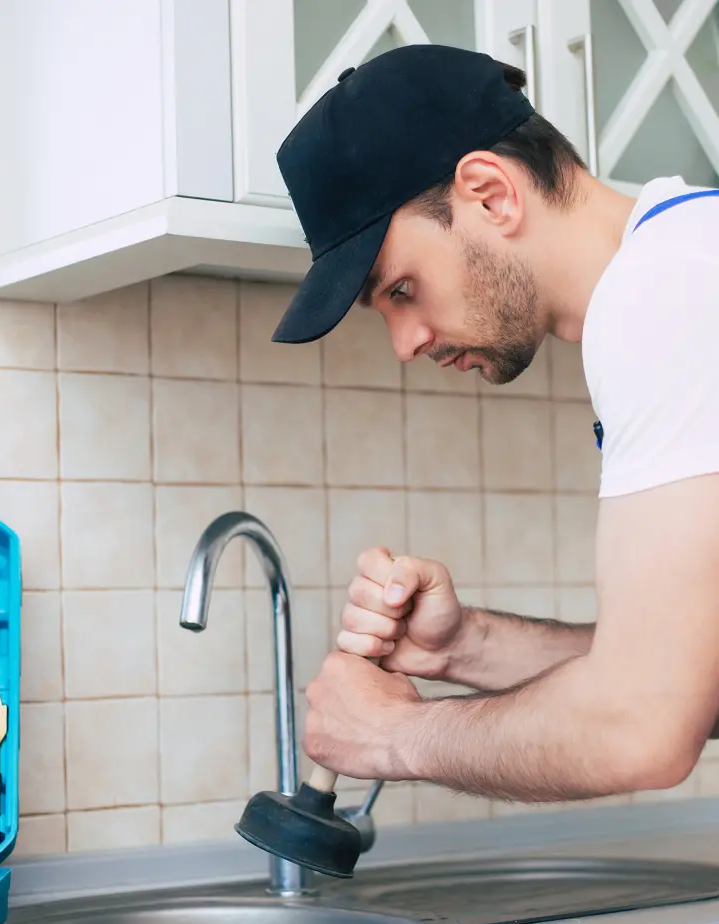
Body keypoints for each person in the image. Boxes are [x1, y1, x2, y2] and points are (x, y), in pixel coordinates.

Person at [270, 43, 719, 804]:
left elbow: (641, 725)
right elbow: (692, 675)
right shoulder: (686, 264)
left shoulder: (666, 294)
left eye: (402, 288)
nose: (406, 344)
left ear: (489, 193)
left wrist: (389, 736)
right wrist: (466, 645)